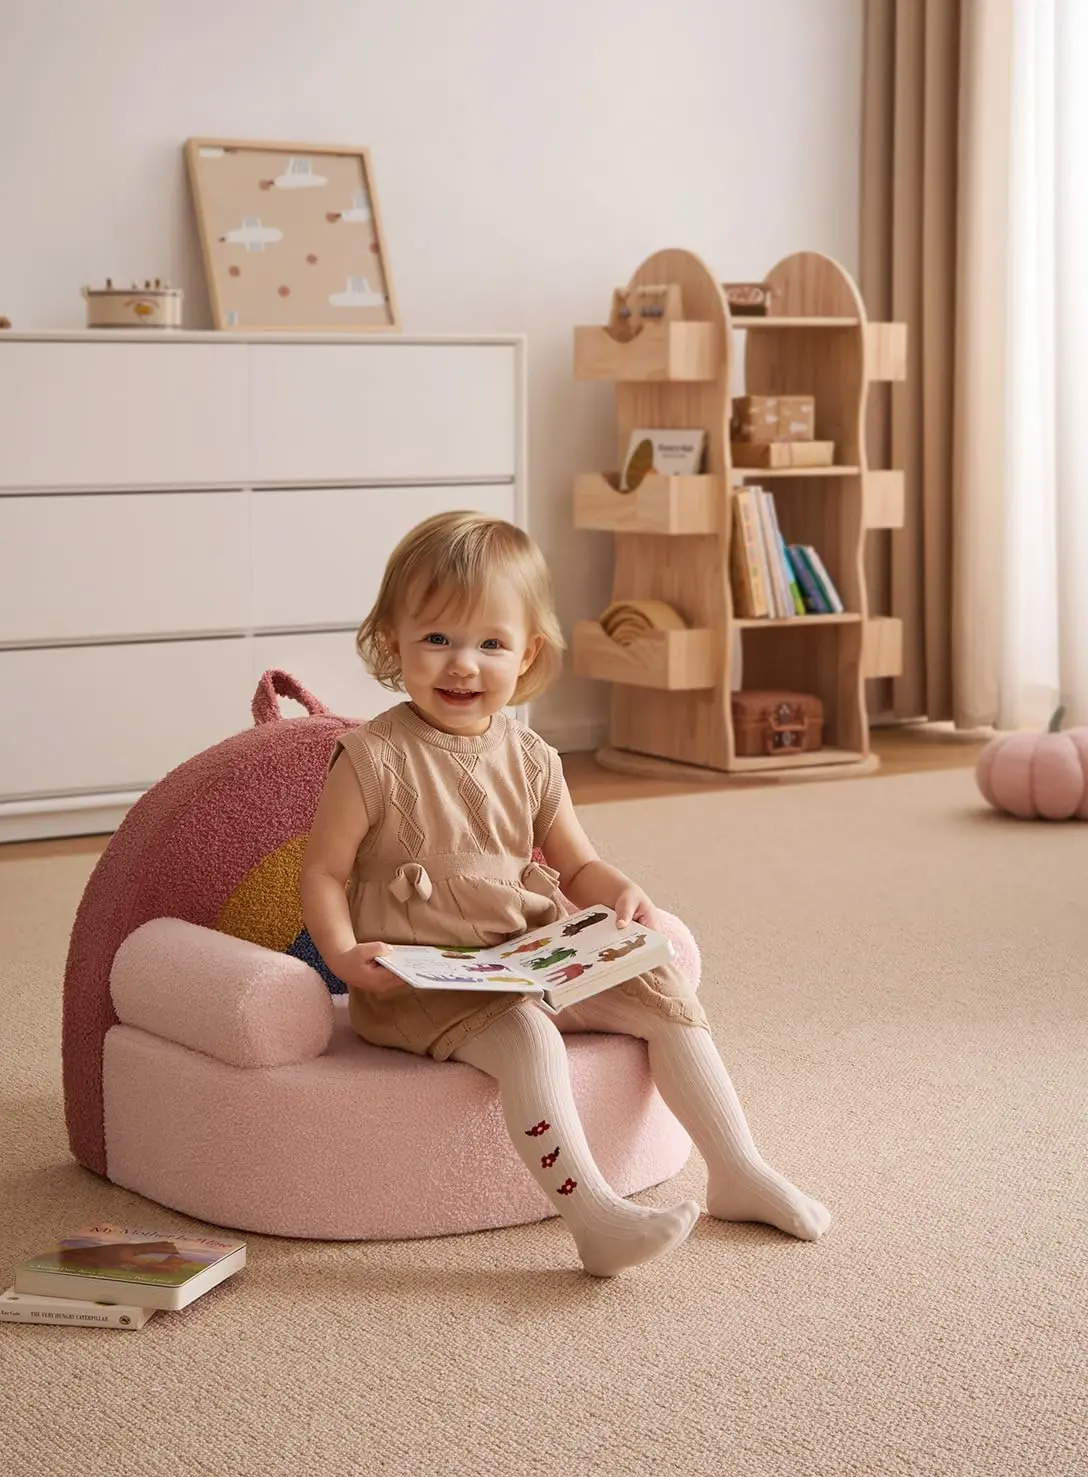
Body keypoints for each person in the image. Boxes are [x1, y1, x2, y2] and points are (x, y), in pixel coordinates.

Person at [300, 511, 830, 1276]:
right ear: (394, 641)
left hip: (525, 951)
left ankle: (738, 1169)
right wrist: (345, 955)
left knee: (663, 987)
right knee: (527, 1036)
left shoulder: (532, 756)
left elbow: (577, 864)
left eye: (491, 643)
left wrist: (622, 892)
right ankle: (594, 1216)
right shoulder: (371, 758)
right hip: (425, 978)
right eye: (437, 638)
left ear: (527, 654)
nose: (463, 665)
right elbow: (323, 872)